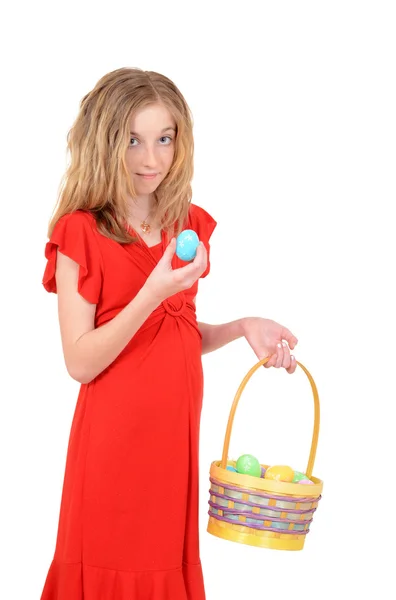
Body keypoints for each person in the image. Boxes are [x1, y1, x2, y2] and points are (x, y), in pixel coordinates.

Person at [40, 67, 298, 600]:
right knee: (112, 563)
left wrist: (240, 327)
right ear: (105, 142)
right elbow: (81, 361)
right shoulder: (82, 232)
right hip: (114, 445)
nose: (151, 158)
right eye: (133, 140)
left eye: (164, 138)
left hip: (173, 441)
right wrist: (153, 290)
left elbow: (171, 333)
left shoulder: (185, 224)